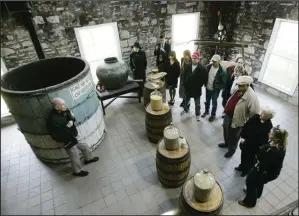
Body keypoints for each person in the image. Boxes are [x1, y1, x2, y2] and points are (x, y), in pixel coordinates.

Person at [238, 125, 289, 208]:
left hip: (264, 171)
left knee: (250, 182)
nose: (269, 134)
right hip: (269, 171)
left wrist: (255, 171)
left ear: (277, 139)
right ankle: (257, 194)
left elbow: (262, 166)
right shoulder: (280, 144)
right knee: (259, 183)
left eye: (271, 134)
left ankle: (249, 202)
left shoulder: (272, 151)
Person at [47, 98, 99, 177]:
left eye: (64, 104)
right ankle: (77, 171)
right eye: (62, 105)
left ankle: (88, 158)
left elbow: (71, 119)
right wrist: (67, 126)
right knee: (74, 154)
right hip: (66, 139)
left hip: (73, 135)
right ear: (56, 107)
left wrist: (72, 118)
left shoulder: (65, 110)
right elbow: (56, 134)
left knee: (84, 145)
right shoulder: (52, 119)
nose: (65, 106)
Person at [219, 76, 260, 158]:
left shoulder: (252, 96)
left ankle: (231, 150)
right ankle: (226, 143)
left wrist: (244, 118)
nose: (238, 87)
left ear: (247, 85)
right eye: (238, 85)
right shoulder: (239, 89)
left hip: (237, 119)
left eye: (241, 85)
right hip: (228, 116)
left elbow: (255, 112)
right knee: (226, 130)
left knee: (234, 136)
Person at [235, 107, 274, 177]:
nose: (261, 115)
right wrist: (242, 137)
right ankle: (241, 166)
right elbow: (246, 126)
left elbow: (263, 140)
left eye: (264, 115)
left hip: (254, 147)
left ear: (269, 117)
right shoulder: (255, 117)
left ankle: (246, 171)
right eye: (262, 113)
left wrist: (251, 142)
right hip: (245, 142)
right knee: (243, 155)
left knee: (250, 160)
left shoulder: (268, 126)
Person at [180, 51, 208, 121]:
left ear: (198, 59)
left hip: (196, 89)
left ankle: (197, 114)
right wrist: (184, 83)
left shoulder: (202, 68)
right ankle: (186, 109)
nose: (193, 59)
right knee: (186, 100)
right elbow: (184, 75)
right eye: (192, 58)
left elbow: (205, 79)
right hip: (188, 88)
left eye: (195, 58)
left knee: (197, 103)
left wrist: (200, 85)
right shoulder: (187, 66)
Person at [201, 54, 227, 122]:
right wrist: (204, 83)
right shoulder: (208, 67)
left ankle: (213, 115)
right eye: (212, 61)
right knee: (207, 101)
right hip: (207, 88)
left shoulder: (222, 71)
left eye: (215, 61)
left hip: (215, 91)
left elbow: (223, 83)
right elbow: (204, 76)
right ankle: (206, 111)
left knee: (214, 103)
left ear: (219, 61)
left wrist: (217, 88)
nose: (213, 63)